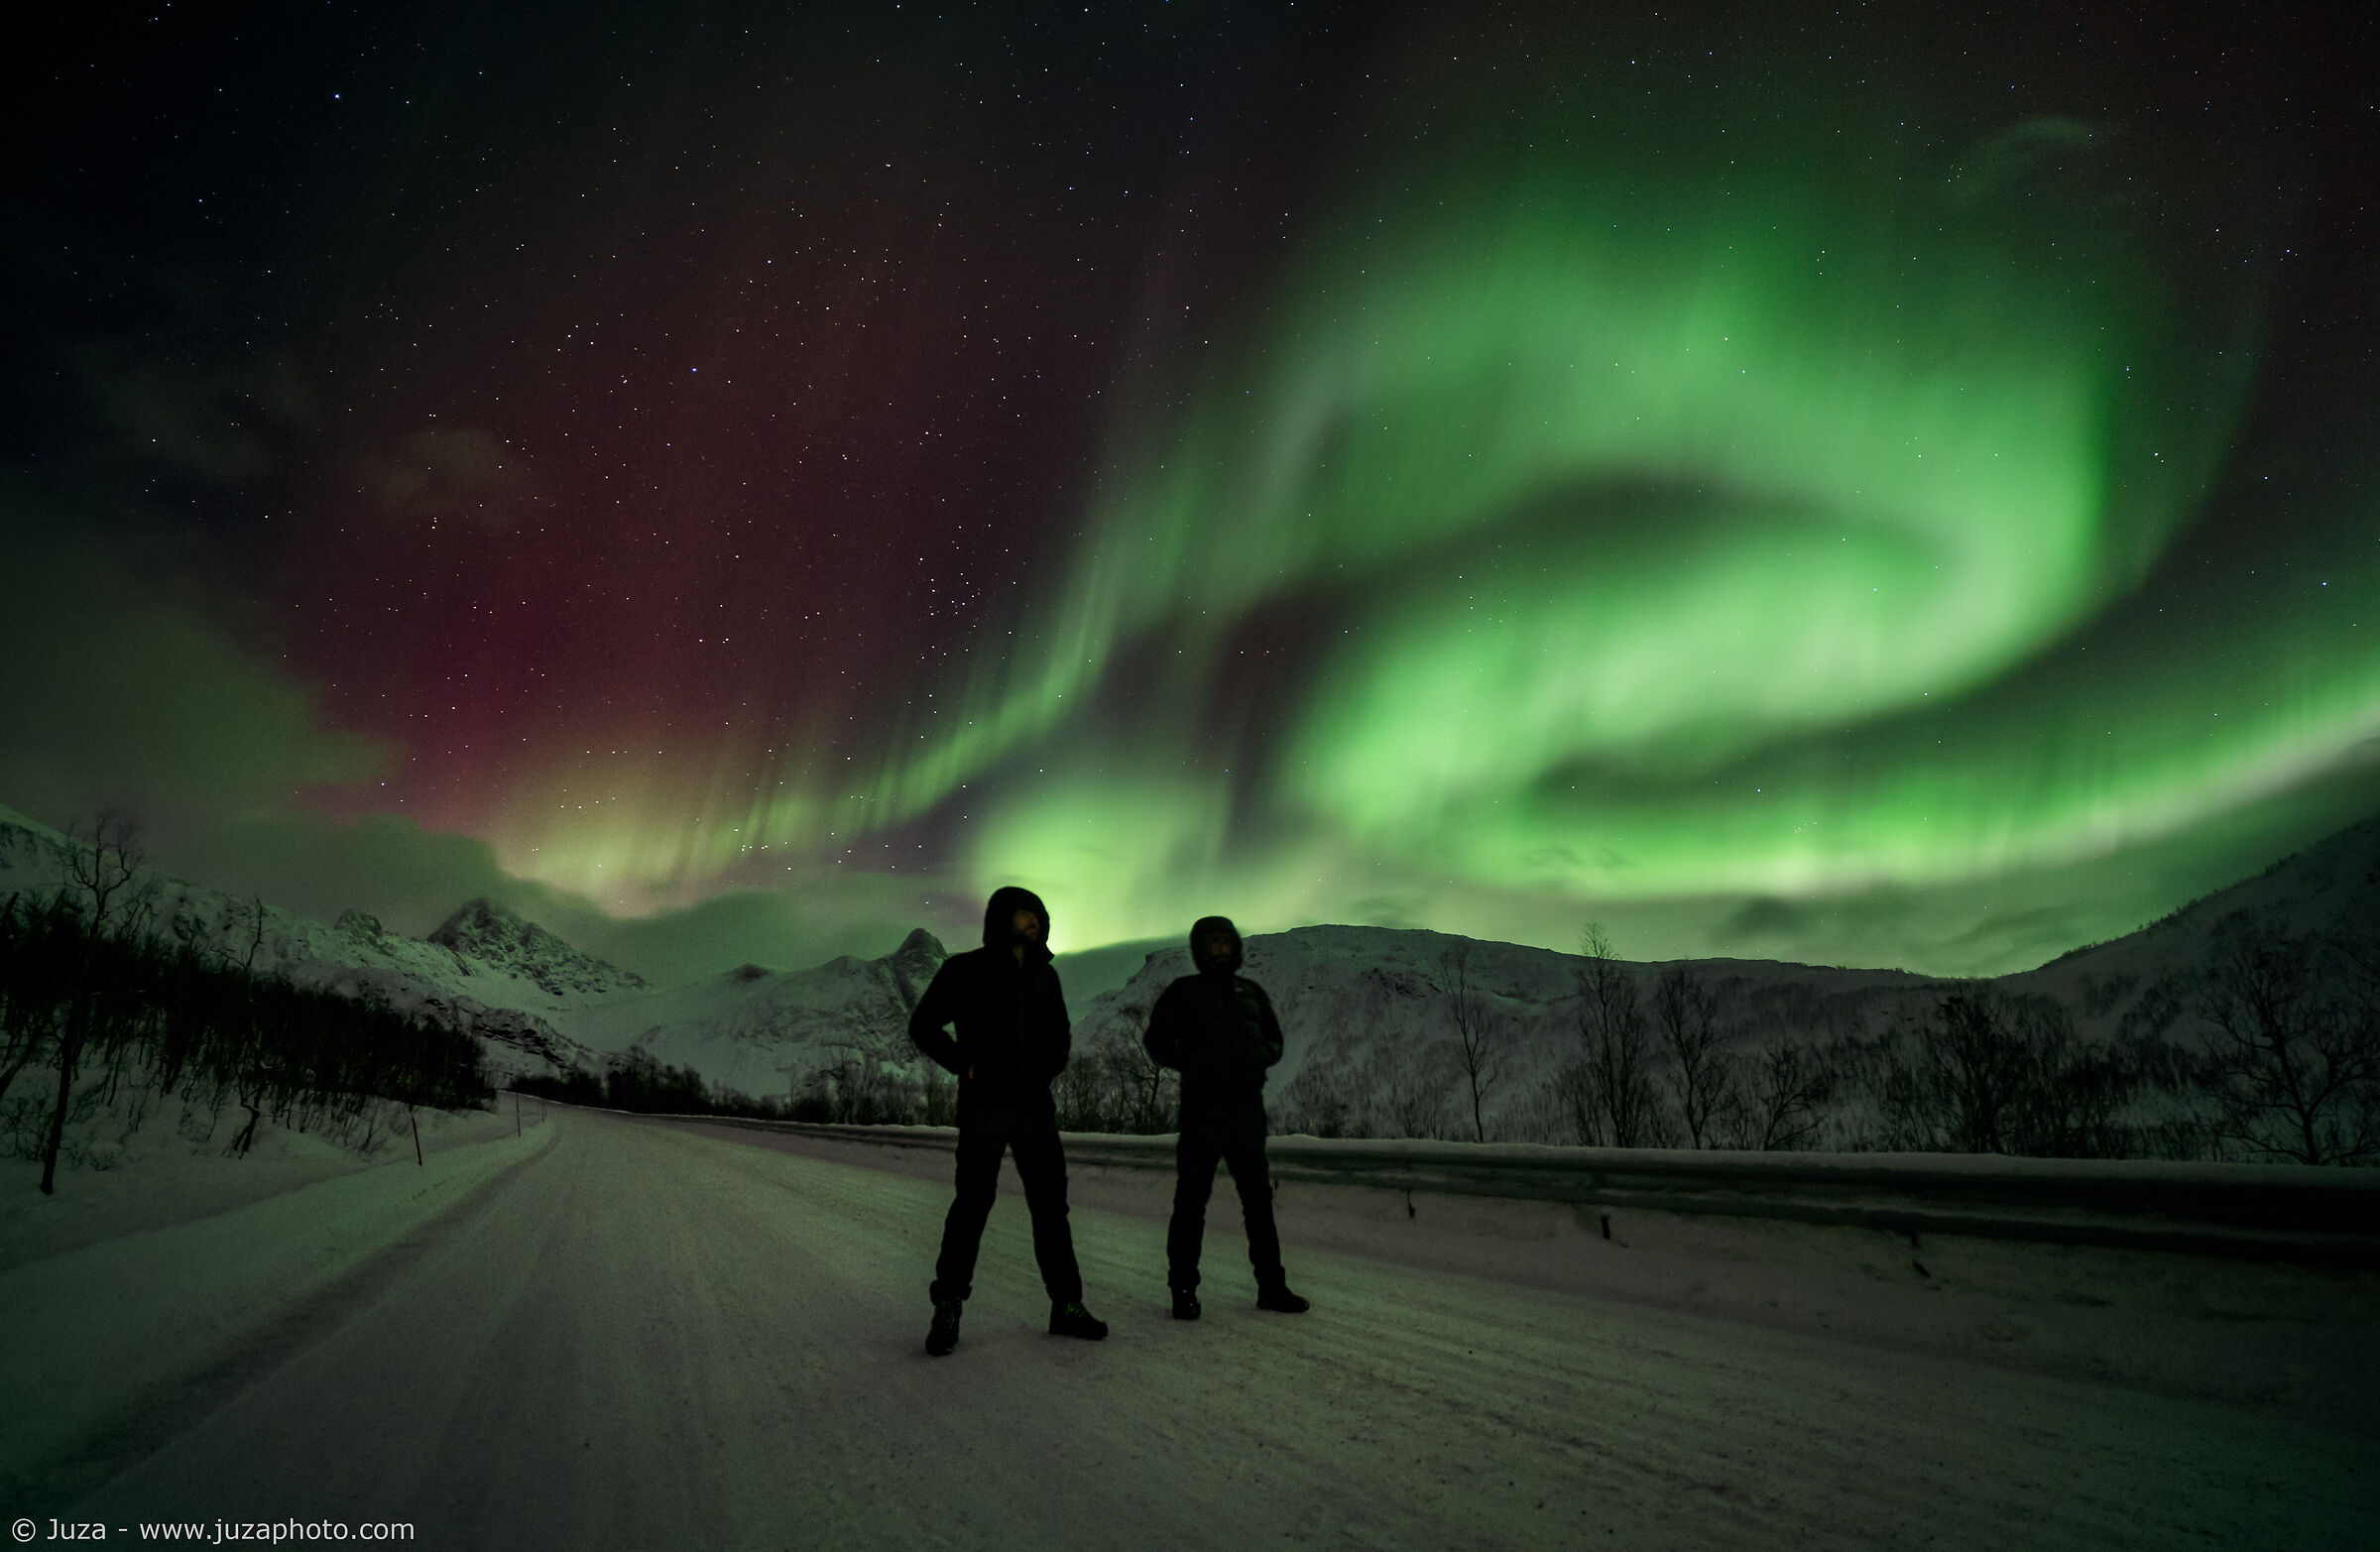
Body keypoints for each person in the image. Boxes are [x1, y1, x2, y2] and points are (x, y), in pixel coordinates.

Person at [908, 885, 1106, 1356]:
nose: (1034, 919)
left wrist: (1046, 1069)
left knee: (1051, 1206)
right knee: (973, 1203)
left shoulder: (1045, 977)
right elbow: (924, 1025)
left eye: (1038, 913)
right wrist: (963, 1063)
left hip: (1035, 1107)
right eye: (1023, 913)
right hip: (984, 1106)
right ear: (1002, 920)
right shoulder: (965, 970)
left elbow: (1061, 1036)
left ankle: (1067, 1305)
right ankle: (948, 1305)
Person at [1142, 915, 1309, 1320]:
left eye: (1226, 942)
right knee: (1191, 1201)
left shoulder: (1250, 992)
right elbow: (1156, 1040)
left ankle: (1272, 1287)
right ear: (1200, 950)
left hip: (1247, 1110)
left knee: (1258, 1202)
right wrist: (1195, 1063)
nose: (1221, 949)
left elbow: (1275, 1039)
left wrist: (1261, 1057)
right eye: (1213, 943)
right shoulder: (1184, 991)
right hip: (1202, 1109)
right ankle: (1183, 1290)